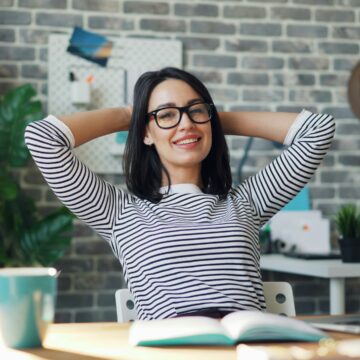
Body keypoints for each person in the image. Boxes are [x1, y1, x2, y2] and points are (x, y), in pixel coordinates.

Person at [25, 67, 335, 320]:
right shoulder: (118, 212)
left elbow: (317, 131)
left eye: (195, 110)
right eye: (166, 115)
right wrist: (130, 116)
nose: (185, 123)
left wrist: (208, 121)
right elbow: (42, 138)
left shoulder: (247, 203)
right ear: (146, 131)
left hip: (246, 350)